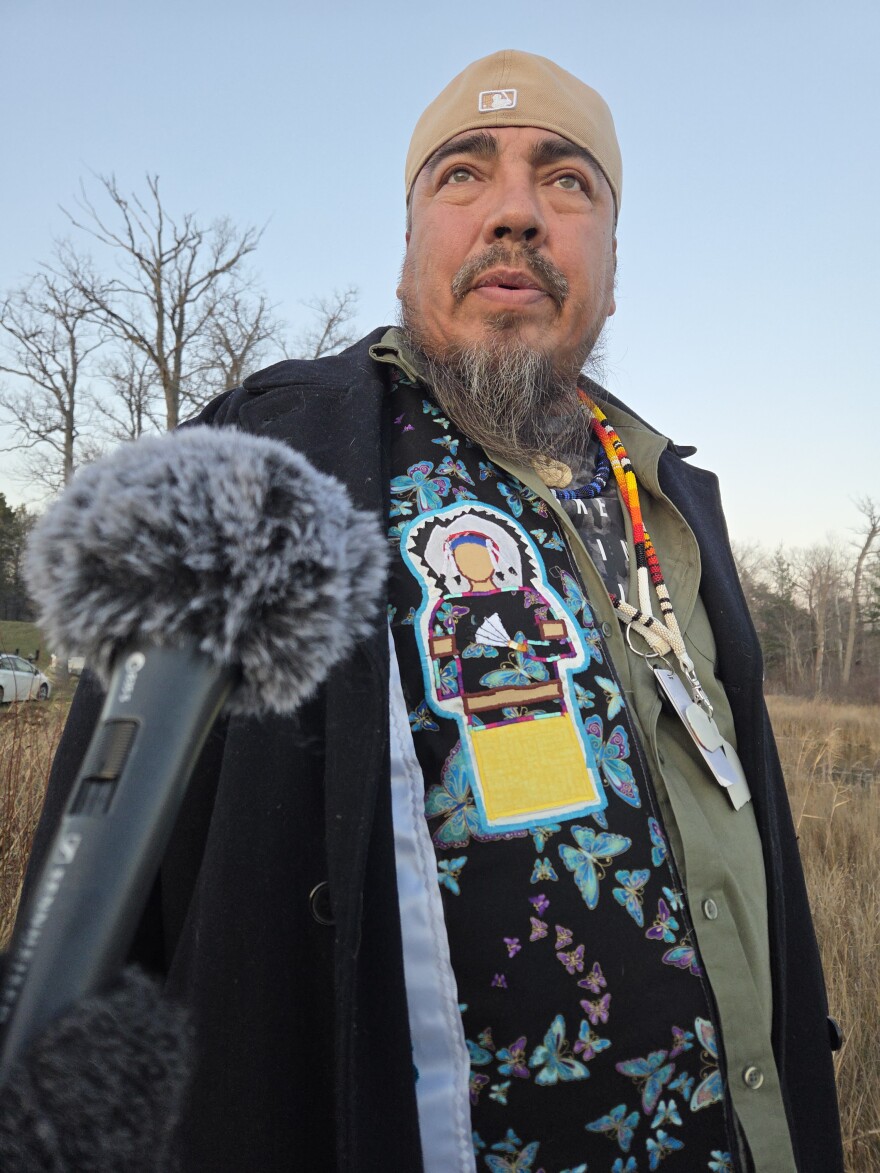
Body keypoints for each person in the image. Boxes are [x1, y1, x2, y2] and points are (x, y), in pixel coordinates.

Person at [20, 50, 842, 1172]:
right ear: (410, 243)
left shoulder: (674, 502)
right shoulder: (265, 460)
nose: (514, 211)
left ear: (613, 258)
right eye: (463, 175)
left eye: (566, 182)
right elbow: (104, 909)